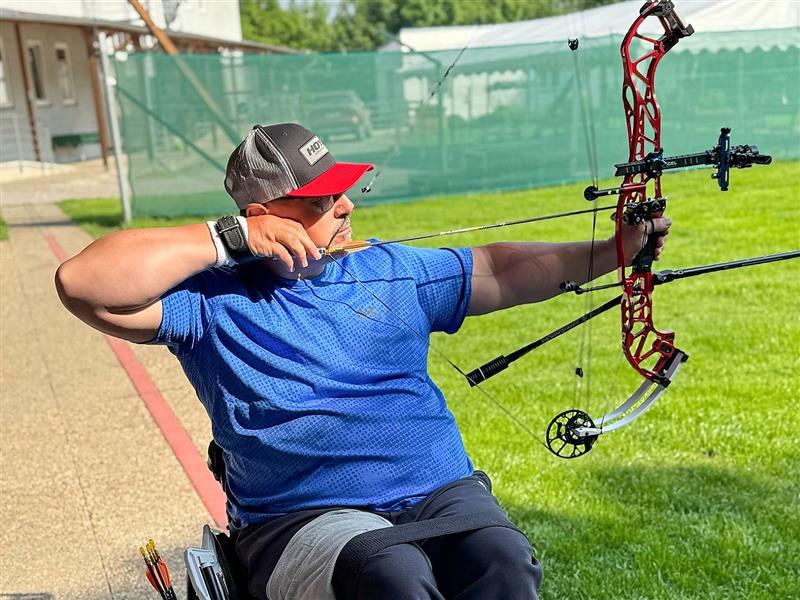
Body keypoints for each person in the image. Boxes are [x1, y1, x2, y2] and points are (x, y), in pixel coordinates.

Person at [55, 123, 670, 600]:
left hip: (439, 490)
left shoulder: (387, 270)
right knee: (389, 575)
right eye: (322, 200)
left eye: (343, 191)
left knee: (503, 560)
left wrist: (613, 249)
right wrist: (224, 241)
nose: (345, 207)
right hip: (300, 517)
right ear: (263, 217)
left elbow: (499, 269)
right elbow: (83, 282)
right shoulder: (210, 299)